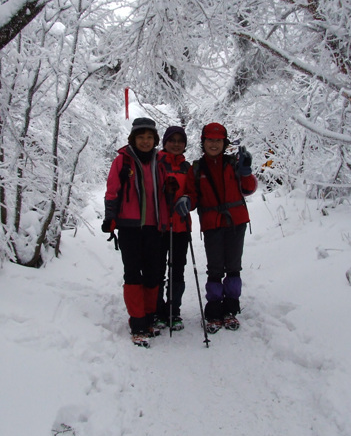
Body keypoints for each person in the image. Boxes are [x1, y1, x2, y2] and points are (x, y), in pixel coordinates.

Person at [175, 122, 257, 333]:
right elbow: (193, 196)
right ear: (203, 142)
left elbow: (248, 189)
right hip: (212, 224)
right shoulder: (197, 168)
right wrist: (186, 200)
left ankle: (230, 308)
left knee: (233, 267)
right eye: (210, 140)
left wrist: (246, 172)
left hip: (236, 222)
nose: (214, 144)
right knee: (215, 268)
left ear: (224, 142)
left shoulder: (233, 164)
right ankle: (213, 310)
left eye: (218, 140)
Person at [102, 117, 172, 347]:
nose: (145, 141)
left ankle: (149, 317)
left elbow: (170, 186)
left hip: (156, 227)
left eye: (149, 137)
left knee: (153, 275)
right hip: (129, 227)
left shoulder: (160, 161)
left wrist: (172, 190)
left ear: (155, 140)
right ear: (133, 139)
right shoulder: (122, 161)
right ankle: (138, 323)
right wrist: (110, 218)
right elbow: (112, 191)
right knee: (133, 274)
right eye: (141, 137)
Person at [156, 125, 191, 332]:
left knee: (177, 270)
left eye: (180, 141)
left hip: (181, 226)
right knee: (158, 271)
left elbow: (195, 193)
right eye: (172, 140)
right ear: (165, 142)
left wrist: (188, 200)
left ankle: (174, 310)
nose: (176, 144)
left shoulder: (188, 168)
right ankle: (158, 310)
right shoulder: (156, 163)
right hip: (159, 226)